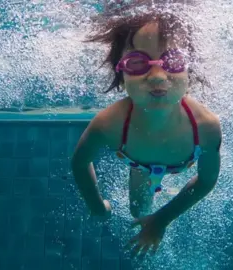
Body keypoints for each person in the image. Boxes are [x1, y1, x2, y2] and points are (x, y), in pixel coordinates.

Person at [71, 2, 222, 258]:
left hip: (176, 162)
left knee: (151, 217)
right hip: (140, 165)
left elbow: (206, 180)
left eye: (173, 60)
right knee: (137, 211)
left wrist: (162, 219)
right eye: (137, 62)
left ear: (189, 68)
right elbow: (79, 163)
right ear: (120, 70)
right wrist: (96, 205)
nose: (157, 76)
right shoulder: (109, 123)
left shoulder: (205, 126)